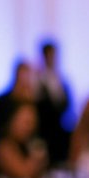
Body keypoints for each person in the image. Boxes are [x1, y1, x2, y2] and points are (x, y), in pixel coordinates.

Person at [34, 38, 74, 166]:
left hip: (60, 131)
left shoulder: (61, 79)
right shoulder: (36, 79)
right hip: (44, 131)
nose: (52, 58)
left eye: (54, 55)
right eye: (49, 55)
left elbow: (66, 104)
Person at [0, 100, 47, 178]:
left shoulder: (25, 145)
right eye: (26, 123)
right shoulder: (4, 147)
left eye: (33, 123)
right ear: (11, 121)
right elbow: (24, 174)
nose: (30, 128)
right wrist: (38, 157)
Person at [0, 59, 36, 140]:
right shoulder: (0, 102)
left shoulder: (34, 102)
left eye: (28, 76)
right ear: (16, 75)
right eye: (23, 75)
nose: (26, 80)